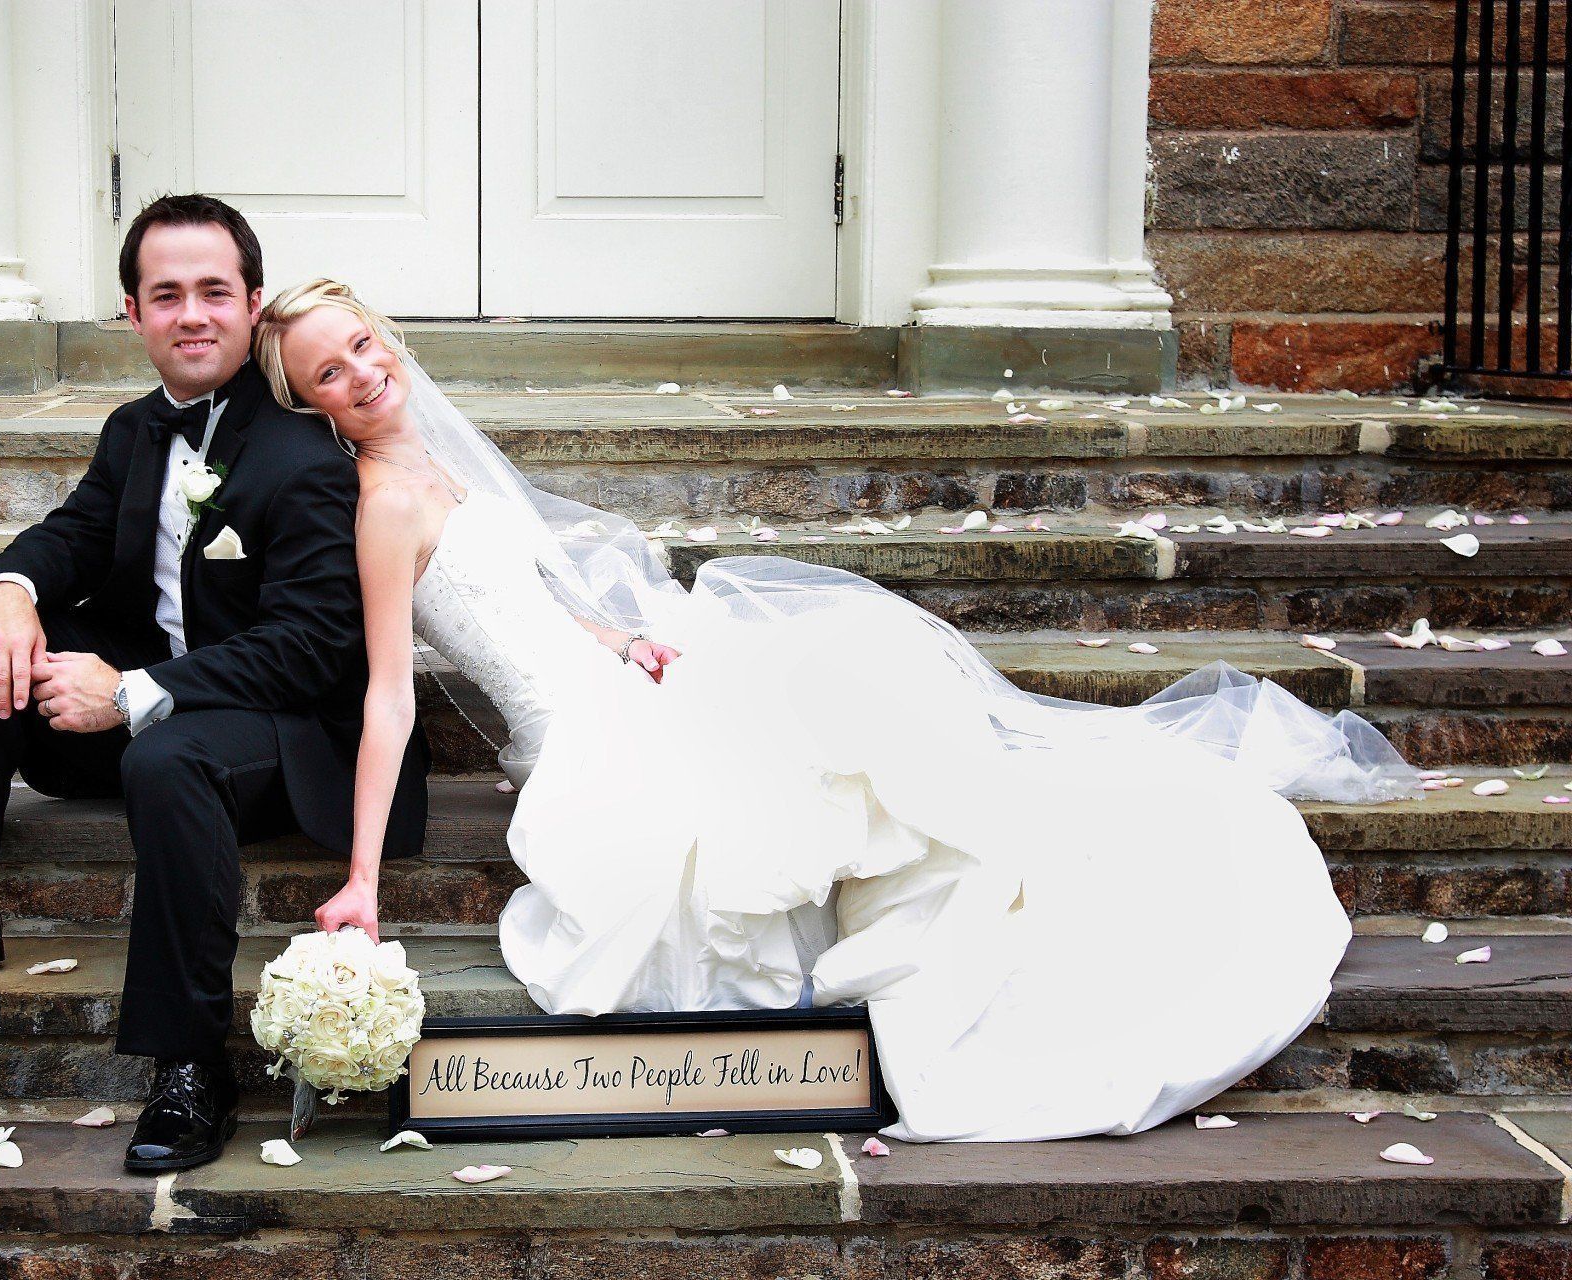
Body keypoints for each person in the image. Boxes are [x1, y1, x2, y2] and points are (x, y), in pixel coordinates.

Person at [257, 277, 1420, 1143]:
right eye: (328, 373)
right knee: (804, 741)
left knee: (832, 687)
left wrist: (619, 636)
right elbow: (393, 693)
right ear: (311, 403)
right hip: (578, 742)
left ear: (387, 333)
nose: (359, 373)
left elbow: (518, 598)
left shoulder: (443, 469)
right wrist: (362, 876)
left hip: (619, 680)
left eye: (361, 343)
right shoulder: (380, 506)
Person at [0, 199, 429, 1173]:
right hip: (159, 704)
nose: (193, 313)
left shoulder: (303, 453)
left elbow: (306, 648)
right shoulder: (134, 431)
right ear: (134, 313)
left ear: (252, 305)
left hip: (288, 735)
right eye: (167, 295)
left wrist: (129, 690)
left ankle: (189, 1066)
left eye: (215, 291)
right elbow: (73, 535)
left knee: (170, 748)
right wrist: (7, 589)